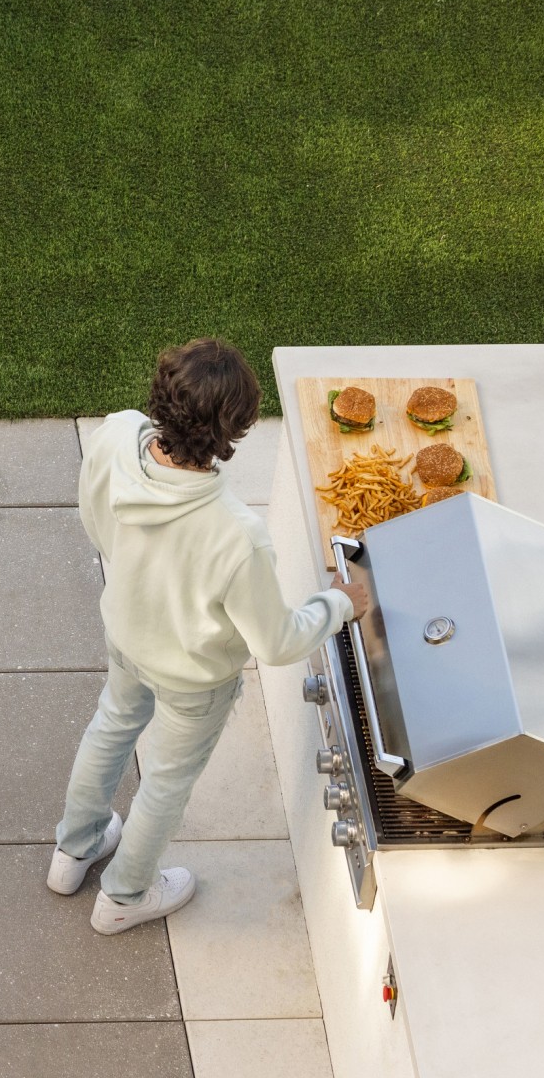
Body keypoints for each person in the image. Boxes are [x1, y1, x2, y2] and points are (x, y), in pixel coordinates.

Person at [51, 339, 373, 934]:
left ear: (162, 395)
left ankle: (74, 852)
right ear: (236, 429)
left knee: (111, 726)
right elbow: (277, 643)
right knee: (166, 783)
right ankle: (122, 898)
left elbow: (93, 520)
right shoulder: (235, 534)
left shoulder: (117, 434)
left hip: (124, 633)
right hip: (192, 680)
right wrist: (339, 603)